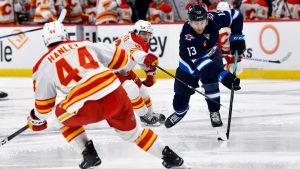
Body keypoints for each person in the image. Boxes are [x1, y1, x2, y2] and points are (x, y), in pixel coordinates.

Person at [26, 20, 184, 169]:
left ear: (45, 41)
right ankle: (171, 157)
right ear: (67, 36)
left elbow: (44, 109)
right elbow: (122, 59)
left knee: (58, 117)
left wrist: (35, 119)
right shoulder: (86, 44)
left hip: (86, 105)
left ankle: (88, 154)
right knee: (134, 134)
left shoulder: (42, 65)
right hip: (115, 94)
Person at [164, 4, 245, 140]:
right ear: (189, 21)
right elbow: (204, 66)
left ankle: (214, 111)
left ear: (207, 18)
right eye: (195, 23)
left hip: (212, 57)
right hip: (188, 67)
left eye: (202, 22)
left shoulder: (214, 19)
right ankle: (180, 112)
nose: (199, 26)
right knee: (179, 102)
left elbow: (236, 15)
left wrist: (237, 37)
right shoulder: (188, 36)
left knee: (212, 85)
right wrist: (226, 78)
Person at [114, 20, 166, 126]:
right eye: (144, 34)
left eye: (148, 34)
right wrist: (147, 58)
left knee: (142, 89)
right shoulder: (131, 43)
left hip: (124, 70)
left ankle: (150, 113)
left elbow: (143, 62)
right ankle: (144, 116)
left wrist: (151, 74)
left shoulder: (137, 39)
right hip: (113, 72)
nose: (146, 37)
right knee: (133, 90)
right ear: (137, 32)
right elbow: (137, 55)